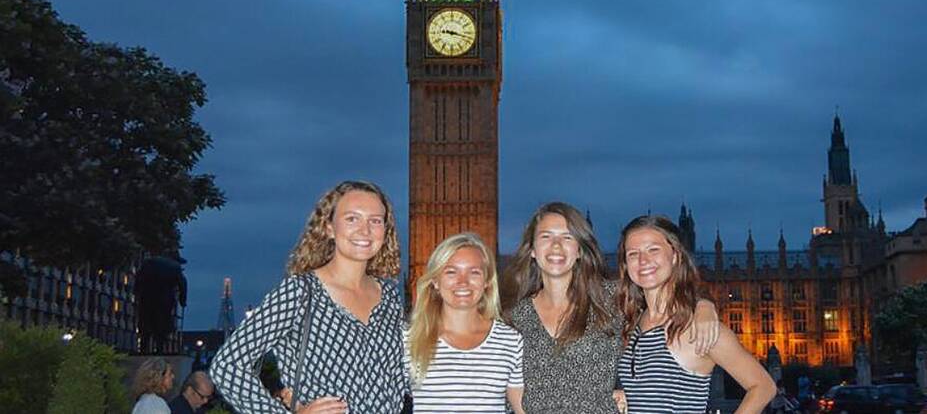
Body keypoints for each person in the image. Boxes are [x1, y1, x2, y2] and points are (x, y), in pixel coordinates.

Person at [210, 180, 408, 414]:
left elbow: (401, 376)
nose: (365, 230)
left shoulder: (388, 296)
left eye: (375, 221)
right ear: (329, 227)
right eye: (352, 218)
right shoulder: (300, 293)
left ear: (386, 231)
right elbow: (227, 365)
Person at [504, 203, 720, 414]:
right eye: (546, 236)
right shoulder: (514, 316)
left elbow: (662, 290)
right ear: (532, 249)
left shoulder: (609, 299)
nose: (556, 246)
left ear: (580, 250)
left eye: (567, 237)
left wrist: (703, 305)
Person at [616, 214, 776, 414]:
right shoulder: (632, 325)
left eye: (653, 249)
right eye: (633, 253)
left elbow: (763, 387)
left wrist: (703, 305)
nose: (643, 260)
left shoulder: (699, 328)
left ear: (675, 256)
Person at [406, 232, 524, 413]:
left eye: (474, 272)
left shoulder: (510, 341)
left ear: (487, 281)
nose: (463, 282)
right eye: (451, 272)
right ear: (435, 281)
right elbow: (377, 396)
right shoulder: (409, 340)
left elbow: (523, 408)